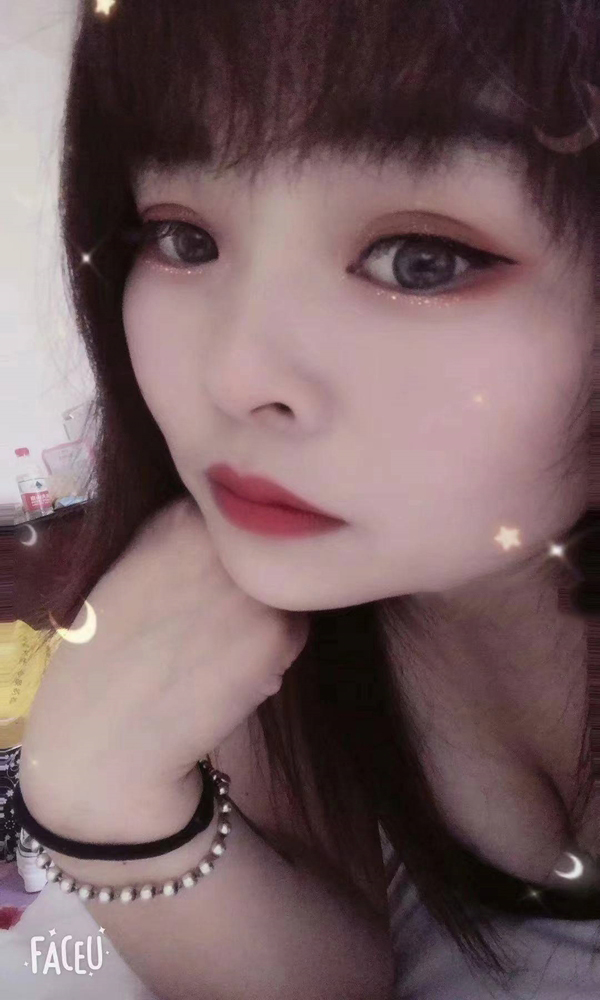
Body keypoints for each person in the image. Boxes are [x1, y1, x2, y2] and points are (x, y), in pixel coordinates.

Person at [13, 0, 600, 996]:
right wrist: (101, 796)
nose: (235, 373)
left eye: (422, 261)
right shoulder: (265, 623)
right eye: (182, 238)